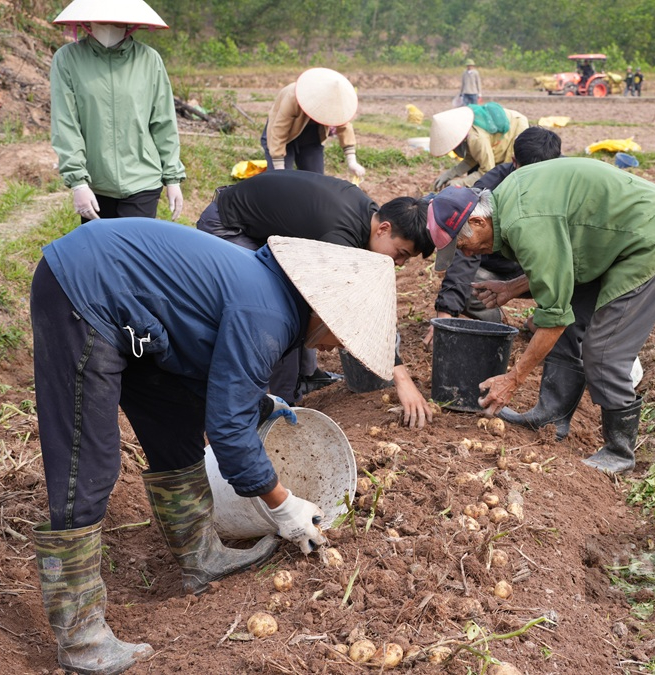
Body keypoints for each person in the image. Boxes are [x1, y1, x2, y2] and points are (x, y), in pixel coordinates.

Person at [30, 218, 396, 674]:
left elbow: (213, 371)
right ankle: (80, 638)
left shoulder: (272, 295)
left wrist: (256, 401)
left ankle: (200, 558)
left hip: (137, 313)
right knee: (89, 463)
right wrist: (283, 506)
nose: (335, 345)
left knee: (175, 419)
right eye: (343, 336)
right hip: (86, 292)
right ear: (326, 311)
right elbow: (227, 432)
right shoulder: (269, 313)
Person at [426, 158, 655, 474]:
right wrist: (512, 287)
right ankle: (551, 414)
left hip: (647, 233)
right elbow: (561, 265)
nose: (466, 254)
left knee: (604, 350)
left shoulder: (524, 222)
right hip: (607, 239)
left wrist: (514, 378)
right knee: (573, 327)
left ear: (479, 222)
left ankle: (619, 451)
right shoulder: (507, 203)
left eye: (463, 244)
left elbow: (554, 316)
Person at [196, 170, 437, 427]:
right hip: (229, 226)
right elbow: (351, 311)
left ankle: (305, 377)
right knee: (280, 313)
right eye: (400, 253)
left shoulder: (368, 216)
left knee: (300, 306)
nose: (398, 263)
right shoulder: (339, 237)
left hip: (259, 225)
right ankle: (278, 407)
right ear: (384, 229)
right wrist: (402, 379)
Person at [49, 0, 185, 223]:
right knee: (101, 254)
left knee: (135, 254)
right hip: (96, 183)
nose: (109, 25)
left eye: (117, 20)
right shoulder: (67, 59)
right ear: (87, 21)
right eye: (103, 19)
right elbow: (65, 123)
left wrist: (172, 178)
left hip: (143, 180)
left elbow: (163, 121)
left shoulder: (149, 59)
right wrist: (78, 182)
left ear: (130, 23)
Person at [423, 127, 561, 346]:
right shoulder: (491, 187)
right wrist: (445, 313)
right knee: (469, 288)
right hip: (502, 269)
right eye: (528, 174)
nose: (535, 183)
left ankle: (544, 319)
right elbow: (467, 246)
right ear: (514, 162)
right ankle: (499, 326)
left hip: (548, 267)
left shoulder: (567, 185)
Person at [263, 67, 365, 180]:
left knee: (315, 180)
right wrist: (279, 169)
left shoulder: (336, 101)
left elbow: (344, 127)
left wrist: (352, 161)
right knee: (281, 181)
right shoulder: (293, 96)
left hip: (311, 136)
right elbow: (279, 131)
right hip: (282, 136)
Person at [430, 104, 528, 190]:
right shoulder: (467, 134)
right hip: (503, 131)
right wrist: (450, 174)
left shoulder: (476, 138)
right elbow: (470, 159)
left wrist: (461, 183)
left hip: (515, 128)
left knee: (507, 174)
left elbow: (488, 171)